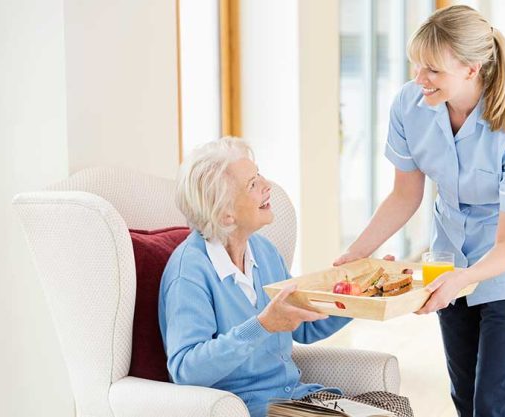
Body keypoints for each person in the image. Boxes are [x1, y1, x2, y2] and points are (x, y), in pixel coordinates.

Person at [335, 5, 505, 417]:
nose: (419, 79)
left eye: (433, 70)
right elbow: (405, 195)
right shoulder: (410, 104)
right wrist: (356, 253)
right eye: (416, 66)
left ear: (472, 69)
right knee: (465, 396)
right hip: (450, 256)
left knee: (496, 404)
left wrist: (463, 280)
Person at [159, 137, 413, 417]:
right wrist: (262, 325)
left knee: (395, 409)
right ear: (225, 215)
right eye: (253, 184)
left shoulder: (263, 251)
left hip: (295, 398)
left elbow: (304, 326)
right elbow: (186, 370)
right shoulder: (190, 273)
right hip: (248, 408)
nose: (267, 186)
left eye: (259, 176)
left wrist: (366, 292)